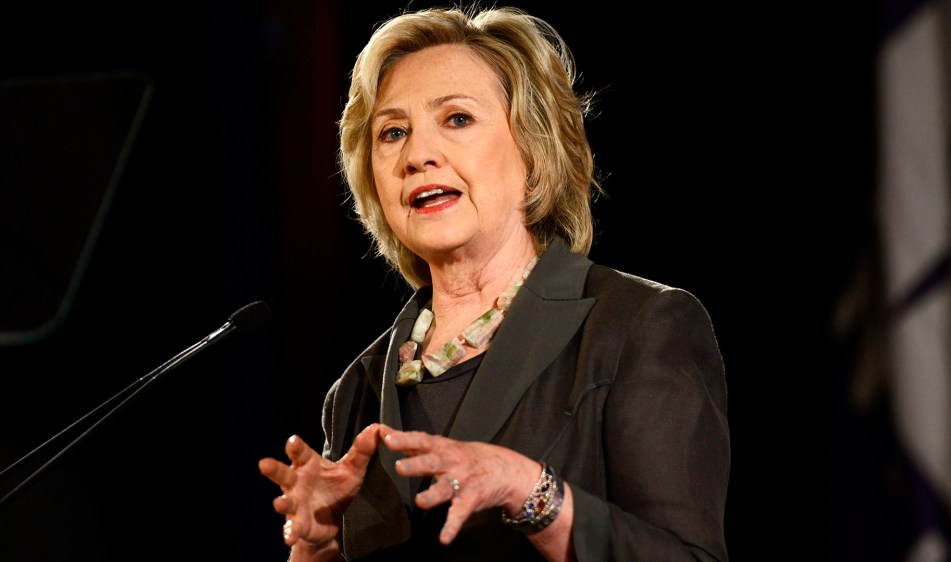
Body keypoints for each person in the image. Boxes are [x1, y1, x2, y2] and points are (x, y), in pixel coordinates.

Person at [258, 4, 730, 561]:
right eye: (393, 132)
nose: (417, 155)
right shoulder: (356, 390)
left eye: (457, 119)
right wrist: (316, 550)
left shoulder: (637, 326)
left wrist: (528, 491)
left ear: (533, 145)